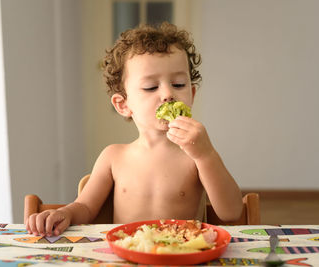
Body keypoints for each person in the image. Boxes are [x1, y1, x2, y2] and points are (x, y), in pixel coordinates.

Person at [26, 22, 243, 237]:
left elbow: (231, 212)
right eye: (151, 87)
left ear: (192, 95)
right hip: (126, 255)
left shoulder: (197, 156)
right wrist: (66, 213)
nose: (168, 94)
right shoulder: (114, 156)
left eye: (178, 84)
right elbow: (86, 208)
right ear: (123, 105)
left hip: (180, 256)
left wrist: (206, 156)